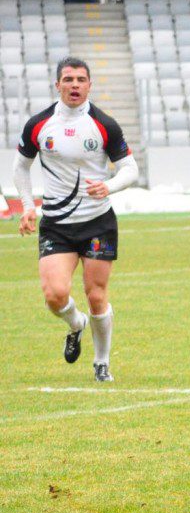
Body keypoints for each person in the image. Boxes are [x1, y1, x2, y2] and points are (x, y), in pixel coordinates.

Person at [13, 57, 139, 382]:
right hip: (56, 223)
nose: (75, 85)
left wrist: (108, 186)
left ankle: (101, 363)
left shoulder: (104, 124)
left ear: (89, 85)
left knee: (96, 294)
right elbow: (21, 166)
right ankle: (75, 323)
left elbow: (130, 169)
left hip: (97, 221)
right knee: (55, 295)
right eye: (68, 79)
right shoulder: (39, 125)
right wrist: (28, 206)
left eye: (81, 80)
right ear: (57, 85)